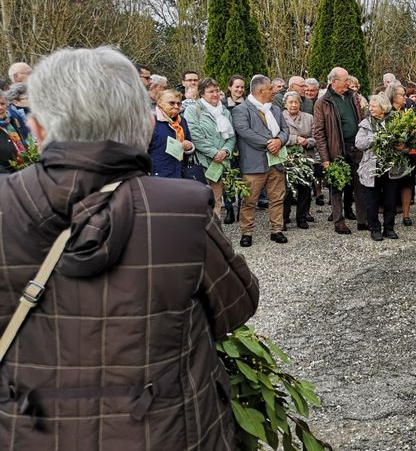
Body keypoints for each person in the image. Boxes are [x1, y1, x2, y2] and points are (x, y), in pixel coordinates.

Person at [0, 46, 258, 449]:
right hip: (164, 428)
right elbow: (236, 306)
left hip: (29, 430)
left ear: (37, 129)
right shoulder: (180, 208)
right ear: (139, 125)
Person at [231, 74, 290, 247]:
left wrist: (279, 141)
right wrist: (269, 143)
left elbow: (285, 130)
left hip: (276, 162)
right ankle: (247, 232)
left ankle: (276, 230)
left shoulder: (276, 109)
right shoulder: (241, 110)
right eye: (271, 88)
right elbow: (245, 132)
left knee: (277, 197)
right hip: (253, 164)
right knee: (249, 200)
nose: (274, 91)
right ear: (261, 90)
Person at [313, 67, 365, 235]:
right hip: (337, 150)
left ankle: (363, 220)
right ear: (334, 82)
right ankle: (338, 222)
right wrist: (325, 159)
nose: (348, 83)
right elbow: (319, 132)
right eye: (345, 81)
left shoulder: (353, 97)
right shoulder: (323, 102)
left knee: (360, 184)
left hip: (356, 147)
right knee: (337, 187)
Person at [184, 78, 236, 220]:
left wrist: (225, 151)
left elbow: (231, 136)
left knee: (216, 201)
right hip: (202, 163)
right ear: (202, 93)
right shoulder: (192, 110)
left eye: (217, 91)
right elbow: (195, 135)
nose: (215, 94)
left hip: (219, 164)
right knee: (200, 203)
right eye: (210, 91)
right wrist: (214, 153)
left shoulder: (224, 112)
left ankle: (214, 234)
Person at [355, 93, 402, 241]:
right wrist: (376, 137)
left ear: (383, 108)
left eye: (374, 106)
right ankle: (374, 228)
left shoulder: (395, 121)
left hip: (390, 166)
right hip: (372, 167)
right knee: (372, 200)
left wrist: (402, 146)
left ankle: (389, 228)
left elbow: (405, 143)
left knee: (390, 200)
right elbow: (359, 143)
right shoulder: (366, 123)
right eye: (370, 106)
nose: (371, 108)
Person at [282, 90, 316, 229]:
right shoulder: (280, 117)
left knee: (305, 188)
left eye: (296, 102)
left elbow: (316, 138)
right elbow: (277, 136)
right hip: (287, 157)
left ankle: (302, 218)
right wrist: (295, 139)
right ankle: (283, 218)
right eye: (290, 102)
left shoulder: (309, 117)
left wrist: (307, 142)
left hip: (306, 157)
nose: (294, 105)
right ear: (285, 104)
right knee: (287, 190)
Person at [386, 83, 416, 226]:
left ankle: (406, 215)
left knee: (408, 183)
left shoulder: (408, 112)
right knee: (391, 185)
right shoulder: (386, 113)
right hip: (391, 156)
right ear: (393, 96)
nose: (405, 97)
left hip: (407, 153)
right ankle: (389, 212)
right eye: (402, 95)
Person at [148, 89, 195, 179]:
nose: (176, 106)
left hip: (179, 173)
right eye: (172, 103)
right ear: (160, 103)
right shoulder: (151, 120)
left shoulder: (182, 121)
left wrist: (189, 145)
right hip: (158, 175)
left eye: (179, 104)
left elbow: (188, 140)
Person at [0, 92, 27, 173]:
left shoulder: (10, 120)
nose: (0, 107)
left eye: (2, 104)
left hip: (26, 171)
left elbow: (22, 142)